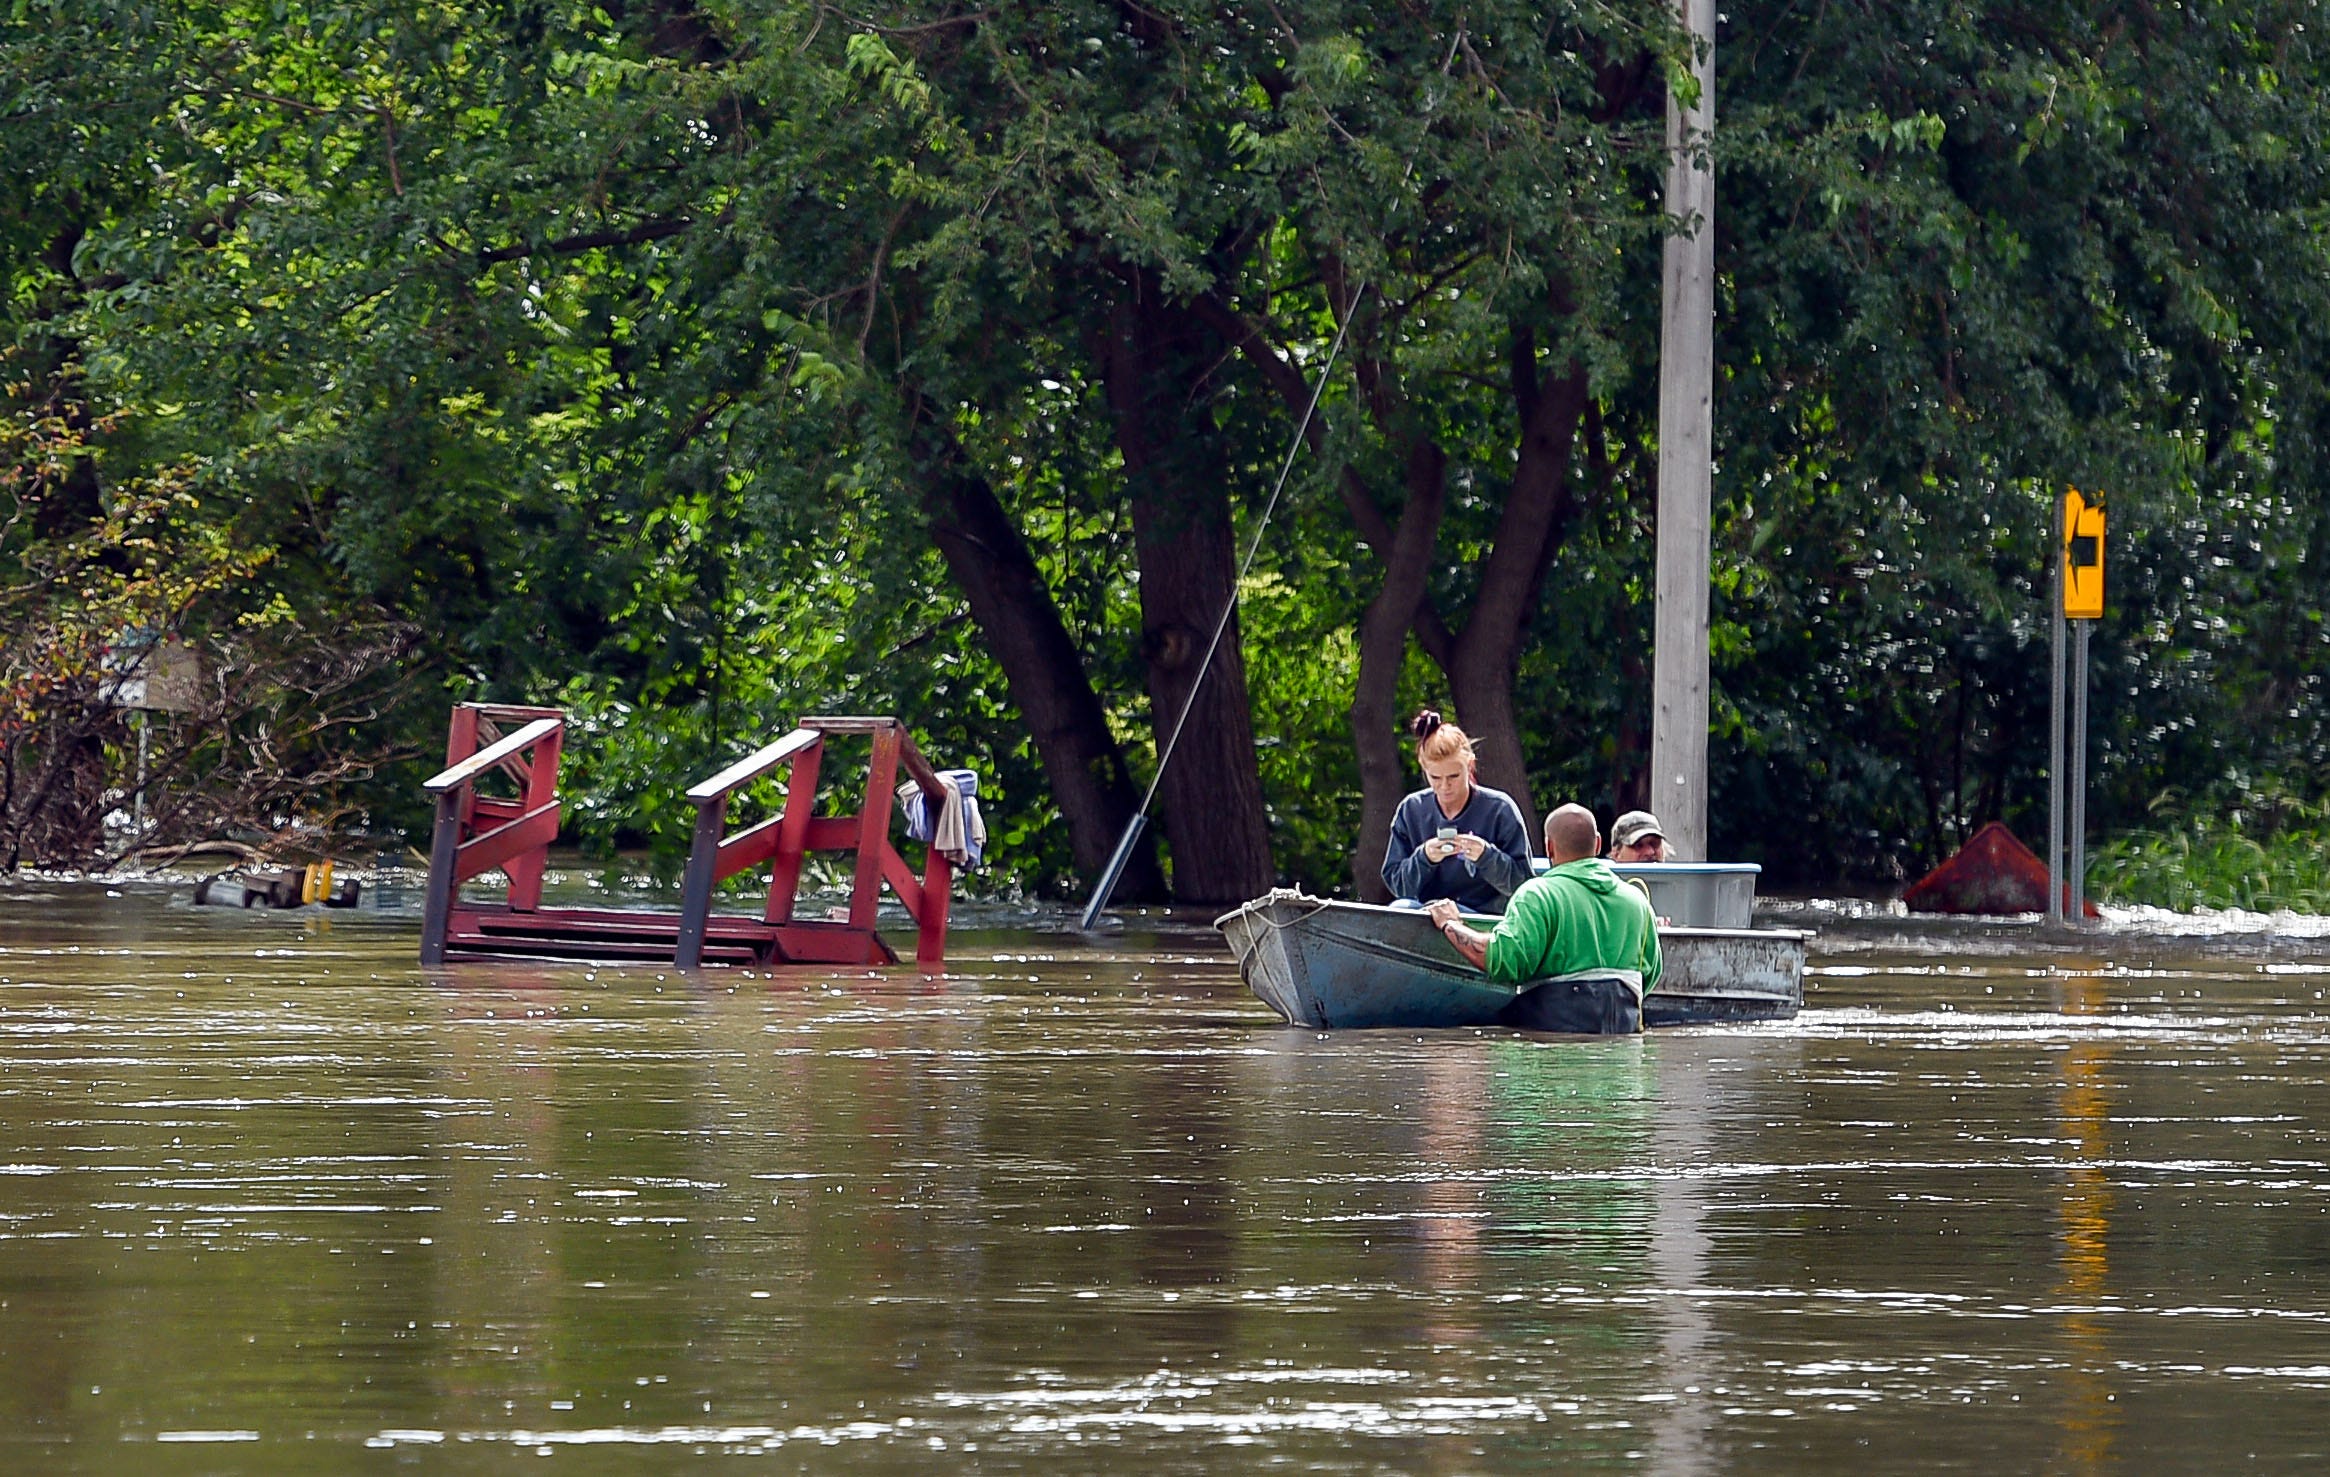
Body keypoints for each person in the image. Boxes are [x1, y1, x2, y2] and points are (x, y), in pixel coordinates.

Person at [1426, 803, 1661, 1032]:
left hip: (1554, 1039)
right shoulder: (1637, 901)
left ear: (1549, 847)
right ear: (1598, 843)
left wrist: (1450, 924)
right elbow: (1651, 973)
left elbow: (1504, 960)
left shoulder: (1537, 895)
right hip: (1622, 1038)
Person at [1380, 709, 1533, 914]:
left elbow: (1523, 887)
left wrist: (1486, 856)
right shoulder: (1411, 810)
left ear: (1469, 766)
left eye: (1453, 776)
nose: (1445, 786)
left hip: (1483, 920)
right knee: (1399, 910)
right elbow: (1399, 886)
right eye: (1435, 778)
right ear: (1423, 768)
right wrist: (1425, 857)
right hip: (1427, 915)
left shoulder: (1500, 809)